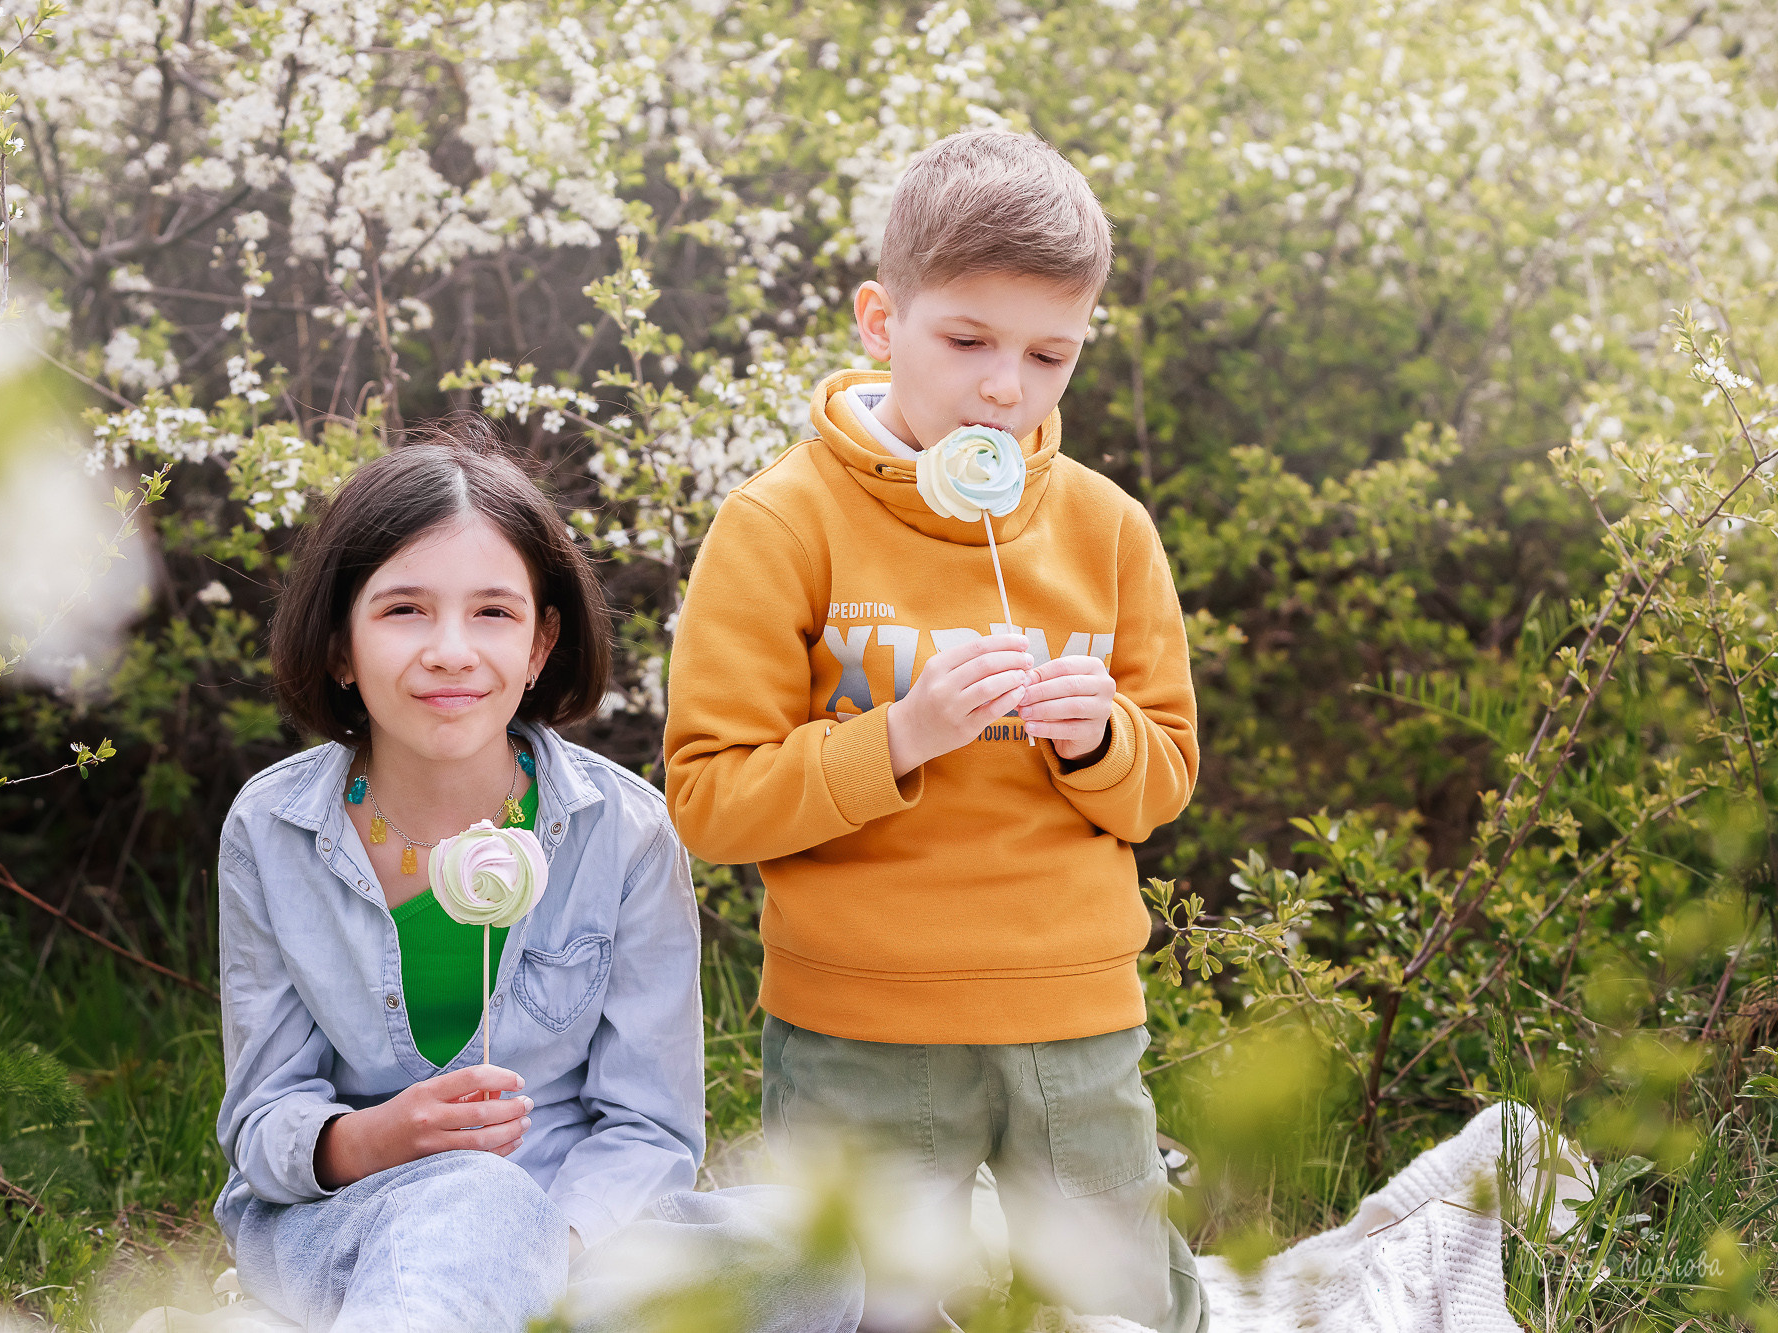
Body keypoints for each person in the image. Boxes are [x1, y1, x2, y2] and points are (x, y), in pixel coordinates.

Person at [664, 129, 1209, 1332]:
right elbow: (710, 799)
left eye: (1046, 353)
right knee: (862, 1305)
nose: (1003, 387)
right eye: (965, 340)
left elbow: (1158, 781)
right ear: (880, 320)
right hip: (860, 1019)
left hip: (1072, 1009)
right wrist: (899, 734)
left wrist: (1096, 740)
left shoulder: (1109, 531)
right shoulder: (778, 522)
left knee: (1119, 1303)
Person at [212, 428, 707, 1332]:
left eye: (493, 613)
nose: (451, 650)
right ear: (339, 646)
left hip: (571, 1233)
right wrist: (378, 1137)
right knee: (477, 1200)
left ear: (540, 643)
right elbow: (262, 1119)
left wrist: (537, 1254)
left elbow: (653, 1129)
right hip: (349, 1216)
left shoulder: (624, 830)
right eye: (405, 610)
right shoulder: (272, 828)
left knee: (810, 1255)